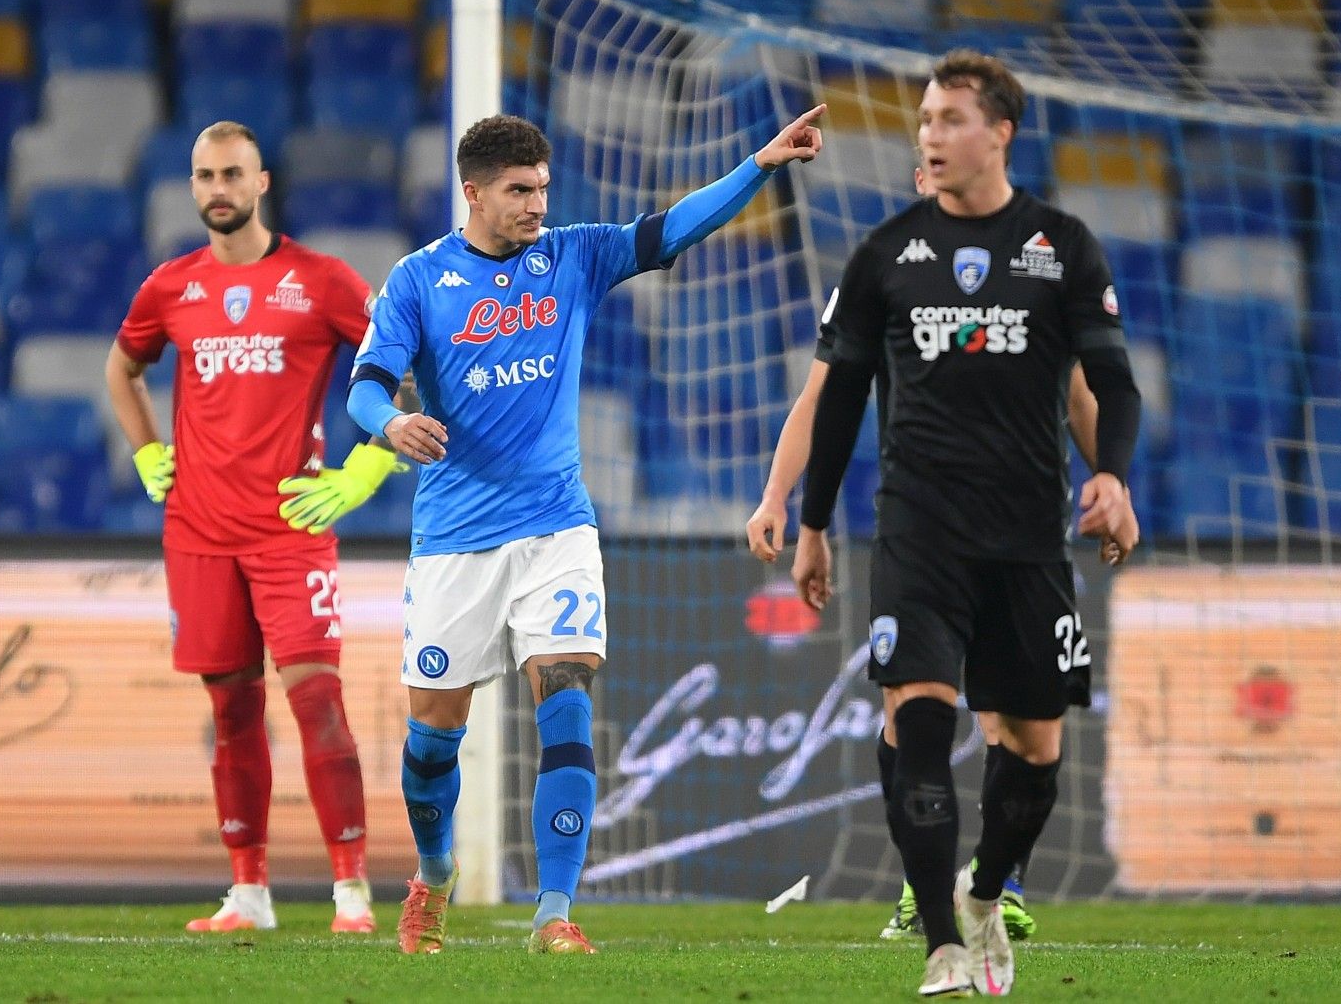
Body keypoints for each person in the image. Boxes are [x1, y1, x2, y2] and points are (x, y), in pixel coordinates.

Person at [349, 106, 826, 955]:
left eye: (543, 187)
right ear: (473, 192)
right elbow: (364, 388)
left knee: (566, 695)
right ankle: (434, 872)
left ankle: (554, 911)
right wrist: (389, 426)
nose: (538, 204)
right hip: (456, 537)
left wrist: (760, 164)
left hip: (557, 527)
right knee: (432, 741)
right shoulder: (419, 281)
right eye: (519, 190)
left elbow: (671, 228)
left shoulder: (572, 253)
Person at [793, 50, 1140, 997]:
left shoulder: (1063, 247)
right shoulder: (886, 253)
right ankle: (943, 942)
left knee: (1033, 751)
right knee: (919, 722)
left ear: (1000, 134)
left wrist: (1113, 474)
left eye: (949, 118)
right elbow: (840, 399)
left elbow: (1112, 380)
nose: (930, 135)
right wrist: (813, 521)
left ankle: (987, 893)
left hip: (1028, 536)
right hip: (918, 532)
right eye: (924, 120)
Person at [105, 121, 410, 936]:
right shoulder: (171, 286)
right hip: (199, 531)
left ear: (262, 181)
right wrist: (146, 452)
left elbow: (403, 372)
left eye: (232, 174)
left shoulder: (323, 282)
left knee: (318, 700)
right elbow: (122, 365)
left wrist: (366, 467)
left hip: (290, 530)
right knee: (232, 713)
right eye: (204, 175)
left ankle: (351, 891)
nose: (218, 189)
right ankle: (249, 893)